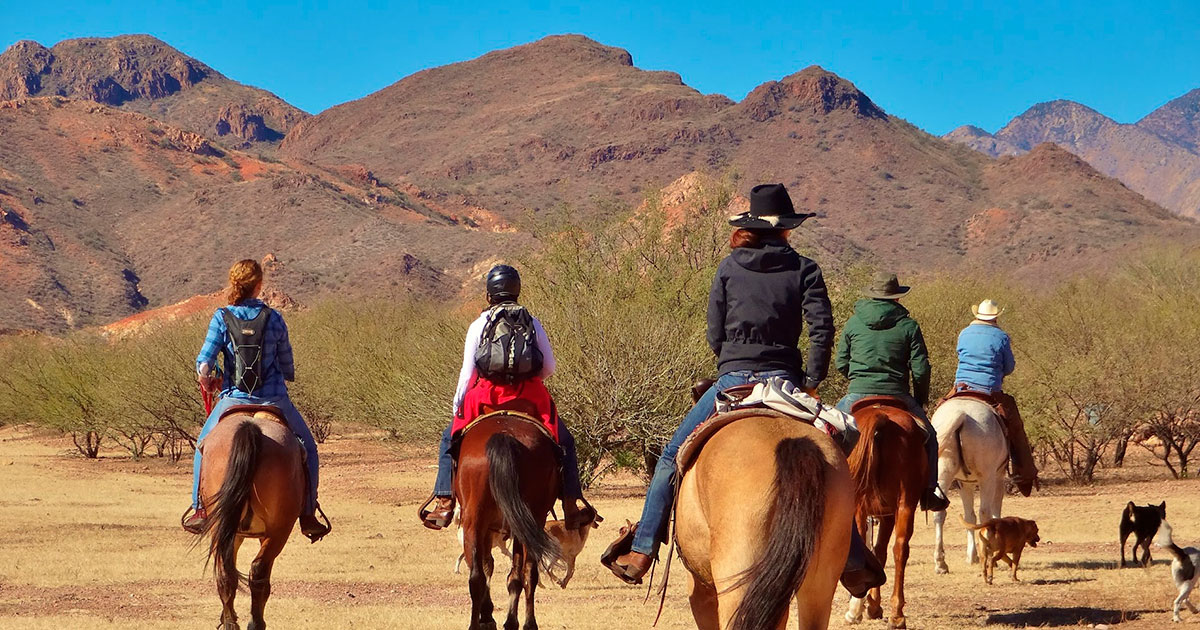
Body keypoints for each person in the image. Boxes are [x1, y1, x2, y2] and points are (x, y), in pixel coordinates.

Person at [603, 183, 885, 596]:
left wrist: (730, 360)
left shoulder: (729, 268)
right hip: (787, 382)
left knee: (669, 456)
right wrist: (811, 380)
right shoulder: (805, 269)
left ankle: (642, 549)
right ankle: (853, 558)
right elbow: (821, 329)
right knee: (835, 449)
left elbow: (714, 331)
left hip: (734, 380)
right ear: (786, 229)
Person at [421, 264, 596, 531]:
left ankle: (444, 501)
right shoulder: (532, 322)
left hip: (485, 397)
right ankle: (571, 505)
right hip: (530, 397)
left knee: (449, 438)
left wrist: (458, 407)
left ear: (489, 294)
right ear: (517, 291)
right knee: (566, 442)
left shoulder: (479, 324)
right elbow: (549, 367)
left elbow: (468, 372)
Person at [182, 259, 330, 542]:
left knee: (203, 447)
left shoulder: (221, 317)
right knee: (309, 448)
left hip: (232, 399)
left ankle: (200, 509)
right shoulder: (274, 318)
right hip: (273, 399)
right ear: (259, 285)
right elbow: (287, 363)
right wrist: (281, 370)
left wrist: (207, 379)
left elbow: (204, 364)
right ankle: (309, 513)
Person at [834, 271, 950, 512]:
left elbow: (840, 363)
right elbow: (921, 368)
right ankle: (930, 491)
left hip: (857, 393)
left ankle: (825, 486)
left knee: (827, 432)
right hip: (897, 393)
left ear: (872, 296)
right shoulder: (908, 325)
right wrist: (920, 399)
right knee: (930, 435)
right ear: (897, 298)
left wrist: (858, 380)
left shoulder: (853, 322)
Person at [953, 299, 1038, 495]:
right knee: (1014, 424)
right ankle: (1023, 471)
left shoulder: (964, 333)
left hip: (961, 387)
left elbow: (961, 355)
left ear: (977, 315)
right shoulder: (1001, 336)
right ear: (996, 316)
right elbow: (1009, 367)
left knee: (938, 415)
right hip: (989, 389)